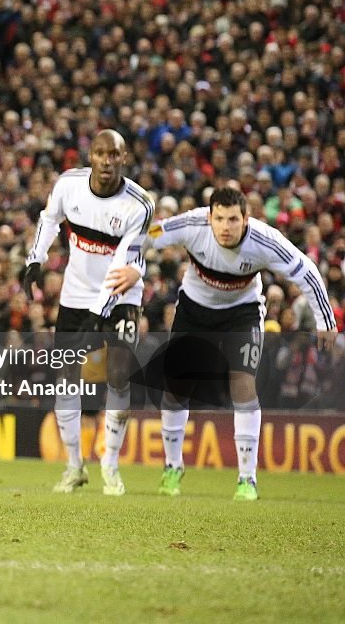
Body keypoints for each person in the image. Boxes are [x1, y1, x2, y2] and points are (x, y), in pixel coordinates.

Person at [125, 187, 337, 500]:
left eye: (233, 219)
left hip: (243, 313)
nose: (226, 226)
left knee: (243, 387)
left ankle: (247, 479)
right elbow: (144, 236)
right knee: (174, 389)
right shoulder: (191, 225)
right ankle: (172, 467)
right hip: (194, 311)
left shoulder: (265, 240)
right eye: (220, 218)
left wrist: (326, 320)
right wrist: (131, 267)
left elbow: (305, 270)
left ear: (246, 219)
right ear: (209, 217)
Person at [23, 130, 154, 496]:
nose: (107, 161)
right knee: (66, 377)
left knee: (118, 375)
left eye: (114, 154)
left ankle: (110, 466)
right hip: (76, 293)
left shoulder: (139, 206)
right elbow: (49, 219)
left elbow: (123, 262)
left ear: (124, 157)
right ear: (91, 155)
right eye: (100, 153)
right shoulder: (69, 185)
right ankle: (74, 467)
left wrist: (100, 312)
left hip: (122, 294)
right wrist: (35, 259)